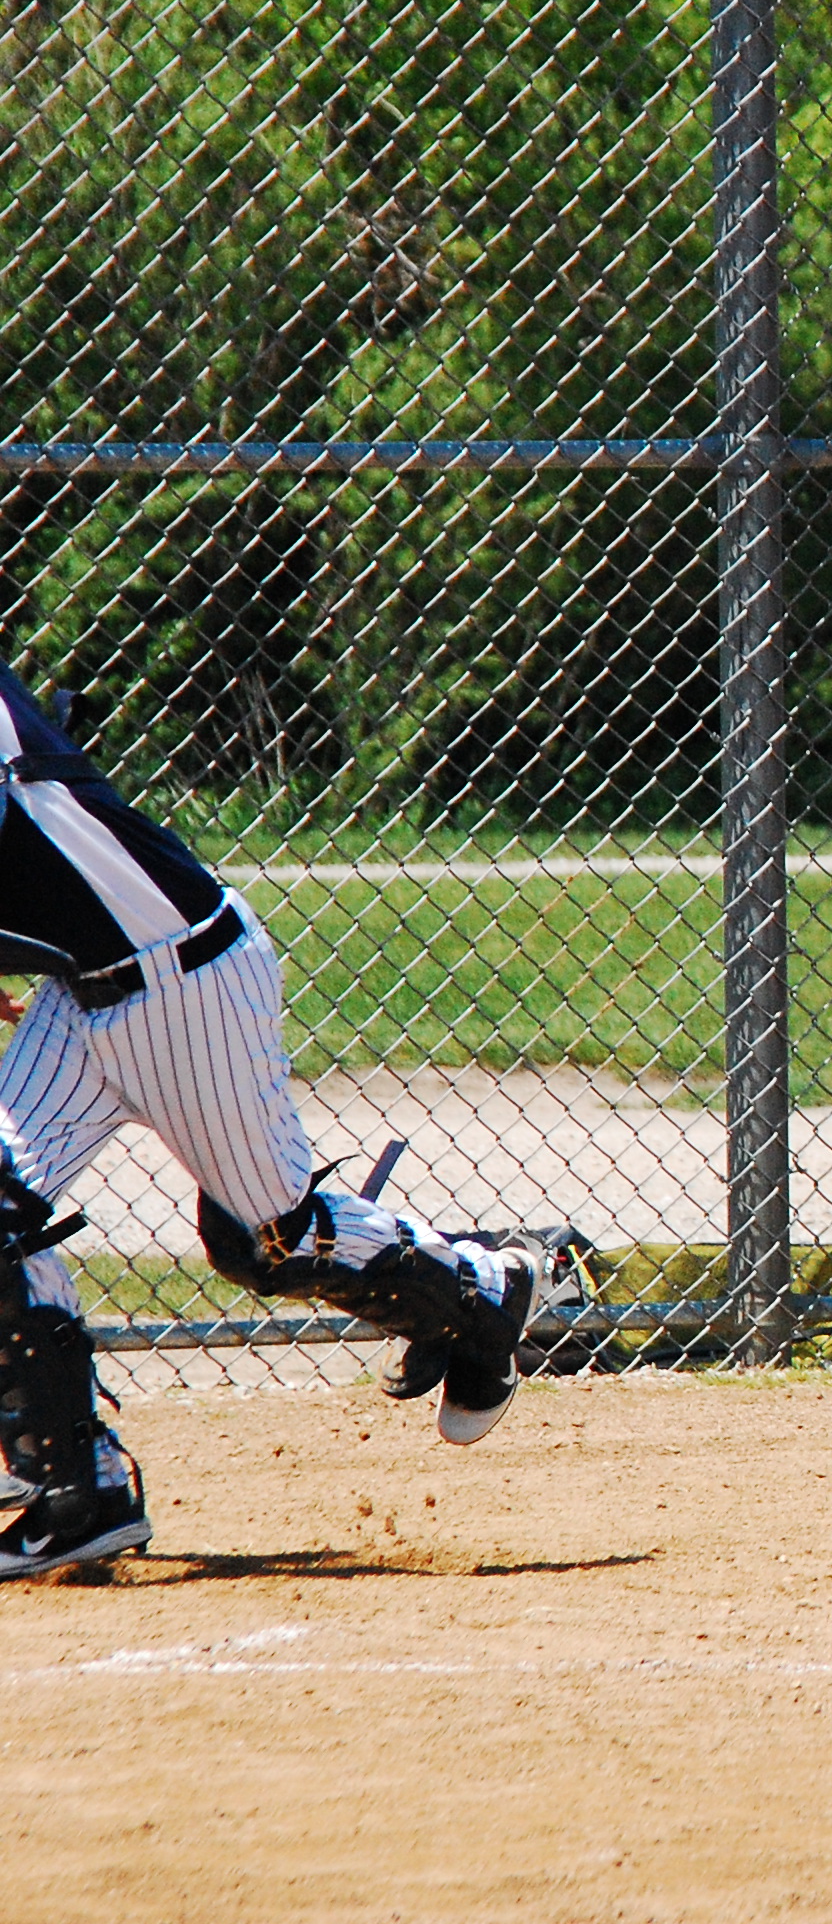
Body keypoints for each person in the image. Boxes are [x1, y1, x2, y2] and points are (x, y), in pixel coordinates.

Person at [0, 667, 540, 1580]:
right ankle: (78, 1489)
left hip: (183, 984)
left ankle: (485, 1291)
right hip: (80, 991)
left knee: (264, 1241)